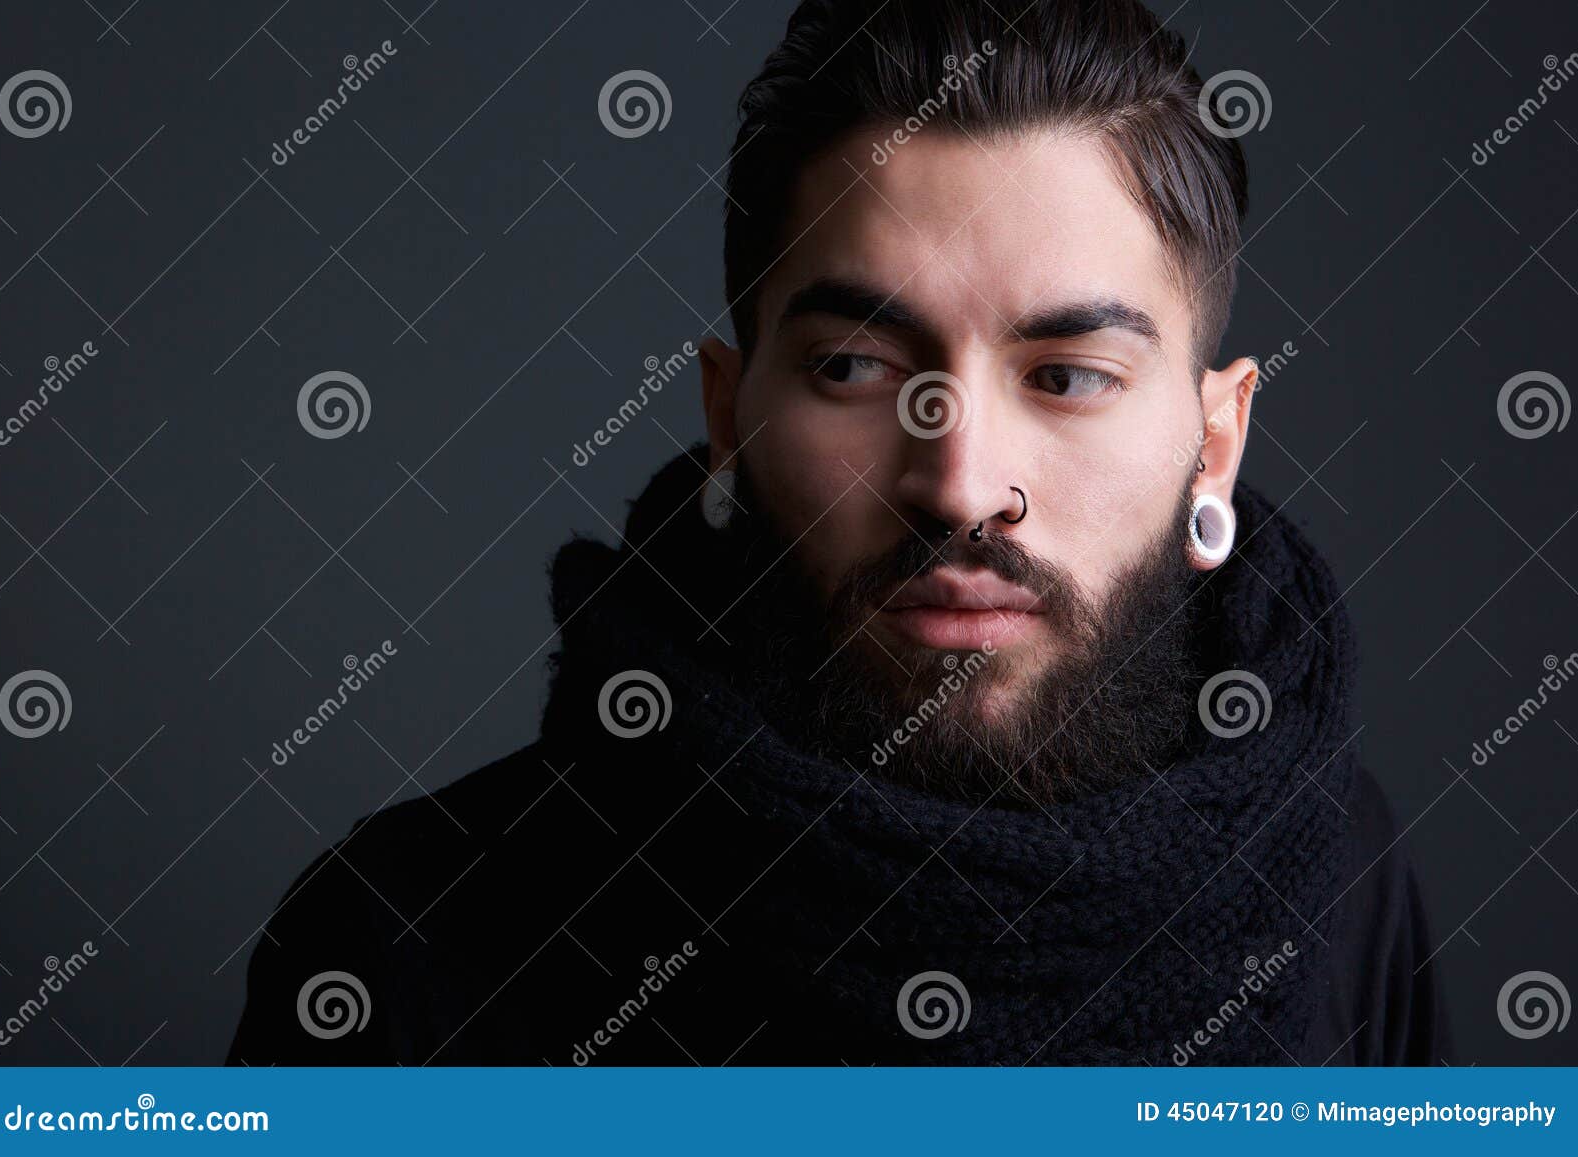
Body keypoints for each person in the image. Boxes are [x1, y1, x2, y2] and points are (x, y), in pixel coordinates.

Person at [229, 0, 1452, 1066]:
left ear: (1215, 440)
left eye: (1068, 375)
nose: (960, 487)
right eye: (857, 365)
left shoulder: (1339, 879)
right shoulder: (401, 943)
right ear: (729, 413)